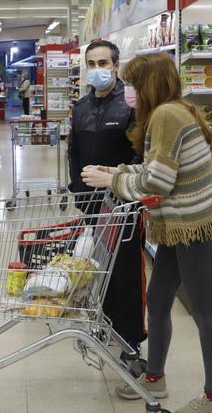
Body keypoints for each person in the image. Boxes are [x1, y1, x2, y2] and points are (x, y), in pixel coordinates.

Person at [82, 53, 212, 413]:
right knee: (160, 301)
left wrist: (111, 180)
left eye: (133, 84)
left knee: (204, 314)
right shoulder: (171, 110)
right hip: (175, 228)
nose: (128, 90)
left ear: (148, 85)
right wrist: (115, 169)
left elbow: (158, 184)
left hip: (197, 228)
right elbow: (156, 168)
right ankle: (155, 377)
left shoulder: (167, 115)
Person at [68, 39, 146, 363]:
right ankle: (106, 322)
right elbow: (73, 149)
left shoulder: (130, 105)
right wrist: (77, 190)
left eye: (103, 63)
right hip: (92, 204)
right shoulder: (81, 108)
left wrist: (123, 187)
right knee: (99, 267)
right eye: (91, 64)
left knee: (126, 273)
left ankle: (131, 337)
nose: (97, 70)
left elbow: (139, 154)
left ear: (116, 66)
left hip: (123, 204)